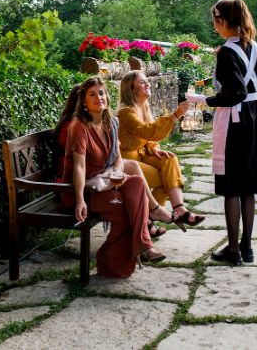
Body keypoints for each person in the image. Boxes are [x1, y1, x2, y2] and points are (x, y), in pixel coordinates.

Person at [187, 0, 257, 266]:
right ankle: (247, 247)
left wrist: (204, 99)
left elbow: (235, 93)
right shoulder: (256, 48)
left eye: (215, 22)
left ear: (222, 21)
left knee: (232, 186)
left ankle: (233, 249)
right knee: (248, 187)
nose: (214, 27)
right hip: (254, 118)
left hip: (235, 121)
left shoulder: (226, 52)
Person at [62, 77, 166, 278]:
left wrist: (117, 174)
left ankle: (142, 246)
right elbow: (79, 167)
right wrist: (80, 200)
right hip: (84, 190)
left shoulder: (109, 122)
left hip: (104, 182)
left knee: (136, 182)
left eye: (101, 93)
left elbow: (118, 158)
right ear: (84, 101)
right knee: (127, 210)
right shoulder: (79, 127)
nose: (98, 97)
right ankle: (115, 260)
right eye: (92, 94)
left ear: (107, 97)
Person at [54, 84, 173, 238]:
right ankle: (148, 222)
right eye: (90, 96)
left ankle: (151, 214)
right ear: (80, 102)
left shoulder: (92, 123)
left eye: (100, 94)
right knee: (129, 186)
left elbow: (101, 156)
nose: (97, 100)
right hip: (76, 181)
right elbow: (85, 163)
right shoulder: (74, 127)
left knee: (132, 167)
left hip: (96, 172)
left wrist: (114, 148)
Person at [117, 70, 206, 230]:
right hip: (126, 162)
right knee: (166, 178)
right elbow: (148, 131)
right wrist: (175, 116)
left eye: (146, 80)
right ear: (131, 89)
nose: (147, 84)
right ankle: (148, 216)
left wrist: (153, 148)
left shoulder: (143, 107)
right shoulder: (126, 112)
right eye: (142, 82)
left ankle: (179, 209)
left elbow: (148, 138)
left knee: (169, 160)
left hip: (141, 155)